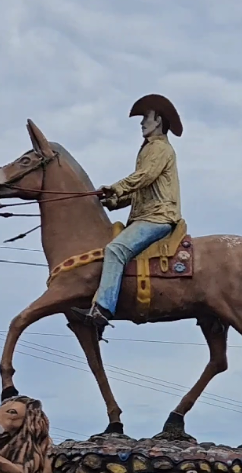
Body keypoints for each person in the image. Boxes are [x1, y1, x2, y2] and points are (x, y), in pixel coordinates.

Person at [70, 93, 182, 338]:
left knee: (115, 250)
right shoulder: (149, 149)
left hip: (158, 217)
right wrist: (112, 199)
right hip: (148, 214)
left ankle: (102, 310)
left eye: (147, 119)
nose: (142, 124)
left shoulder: (159, 148)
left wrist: (117, 187)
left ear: (159, 122)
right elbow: (141, 191)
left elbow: (144, 177)